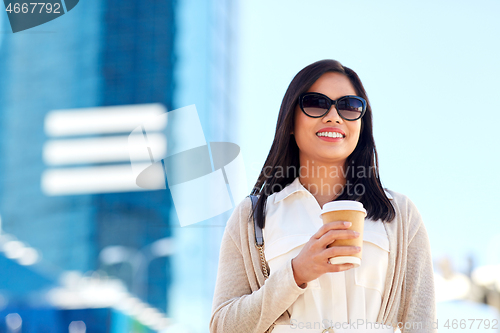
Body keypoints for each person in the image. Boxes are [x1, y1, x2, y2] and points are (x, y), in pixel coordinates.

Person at [209, 59, 437, 333]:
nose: (334, 116)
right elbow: (223, 326)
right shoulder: (252, 218)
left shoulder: (400, 215)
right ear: (290, 122)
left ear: (361, 124)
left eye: (350, 106)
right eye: (316, 103)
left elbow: (421, 325)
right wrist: (296, 273)